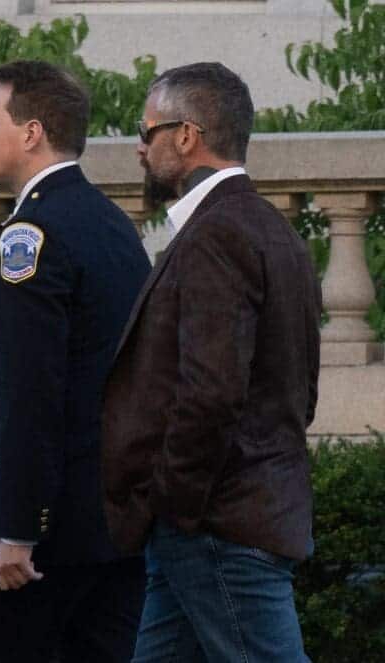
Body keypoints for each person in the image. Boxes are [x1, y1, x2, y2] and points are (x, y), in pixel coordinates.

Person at [102, 62, 320, 663]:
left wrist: (175, 503)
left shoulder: (217, 234)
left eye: (146, 132)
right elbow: (299, 390)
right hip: (217, 521)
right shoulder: (271, 229)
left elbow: (211, 393)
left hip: (217, 526)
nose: (139, 149)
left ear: (186, 136)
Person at [0, 60, 150, 663]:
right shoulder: (108, 222)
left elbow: (33, 390)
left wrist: (18, 524)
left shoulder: (31, 234)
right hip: (110, 520)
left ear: (31, 133)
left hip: (47, 528)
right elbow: (84, 375)